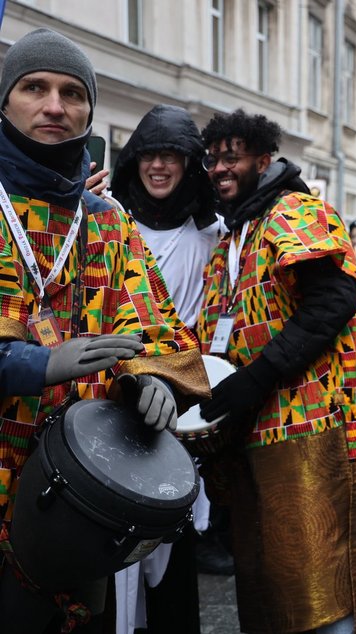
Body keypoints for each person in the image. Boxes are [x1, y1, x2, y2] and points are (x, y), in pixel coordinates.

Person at [0, 28, 209, 633]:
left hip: (78, 493)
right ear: (5, 101)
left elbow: (156, 327)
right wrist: (33, 365)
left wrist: (154, 381)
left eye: (72, 92)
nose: (55, 106)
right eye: (34, 87)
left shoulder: (107, 221)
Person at [195, 109, 356, 634]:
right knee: (284, 593)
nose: (219, 169)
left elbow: (332, 301)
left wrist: (256, 377)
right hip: (266, 430)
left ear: (263, 159)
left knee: (331, 594)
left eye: (232, 157)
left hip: (322, 426)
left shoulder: (294, 210)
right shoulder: (237, 232)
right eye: (212, 159)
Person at [109, 103, 226, 634]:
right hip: (110, 399)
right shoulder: (107, 222)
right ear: (132, 161)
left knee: (170, 549)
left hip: (181, 406)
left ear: (189, 165)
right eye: (149, 154)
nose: (158, 166)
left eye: (171, 156)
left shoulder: (214, 237)